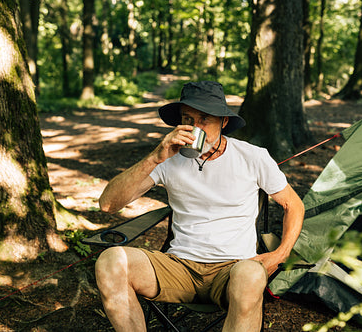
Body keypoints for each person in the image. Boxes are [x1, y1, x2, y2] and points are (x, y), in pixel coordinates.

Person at [95, 81, 304, 332]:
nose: (194, 127)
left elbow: (294, 206)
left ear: (224, 122)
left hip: (233, 269)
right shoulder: (167, 159)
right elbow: (108, 204)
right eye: (188, 118)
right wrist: (154, 157)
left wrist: (278, 256)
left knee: (251, 274)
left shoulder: (253, 157)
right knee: (110, 261)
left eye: (204, 119)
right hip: (178, 266)